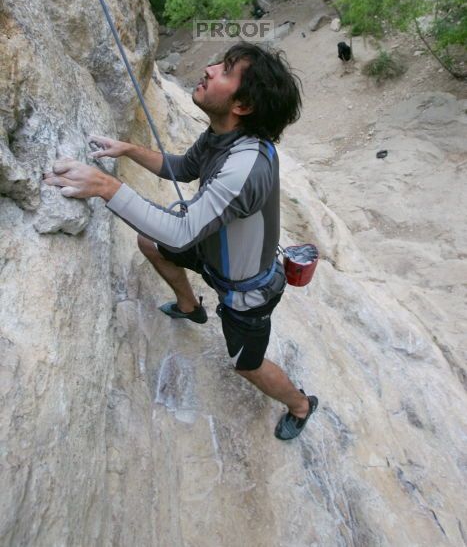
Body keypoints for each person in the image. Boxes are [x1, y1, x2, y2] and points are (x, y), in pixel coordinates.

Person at [44, 42, 318, 440]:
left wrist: (106, 185)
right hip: (211, 254)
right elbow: (186, 168)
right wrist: (130, 149)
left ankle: (301, 405)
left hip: (246, 291)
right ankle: (191, 306)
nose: (207, 69)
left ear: (241, 105)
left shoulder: (245, 167)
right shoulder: (225, 136)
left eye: (224, 70)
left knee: (246, 365)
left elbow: (180, 232)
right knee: (150, 243)